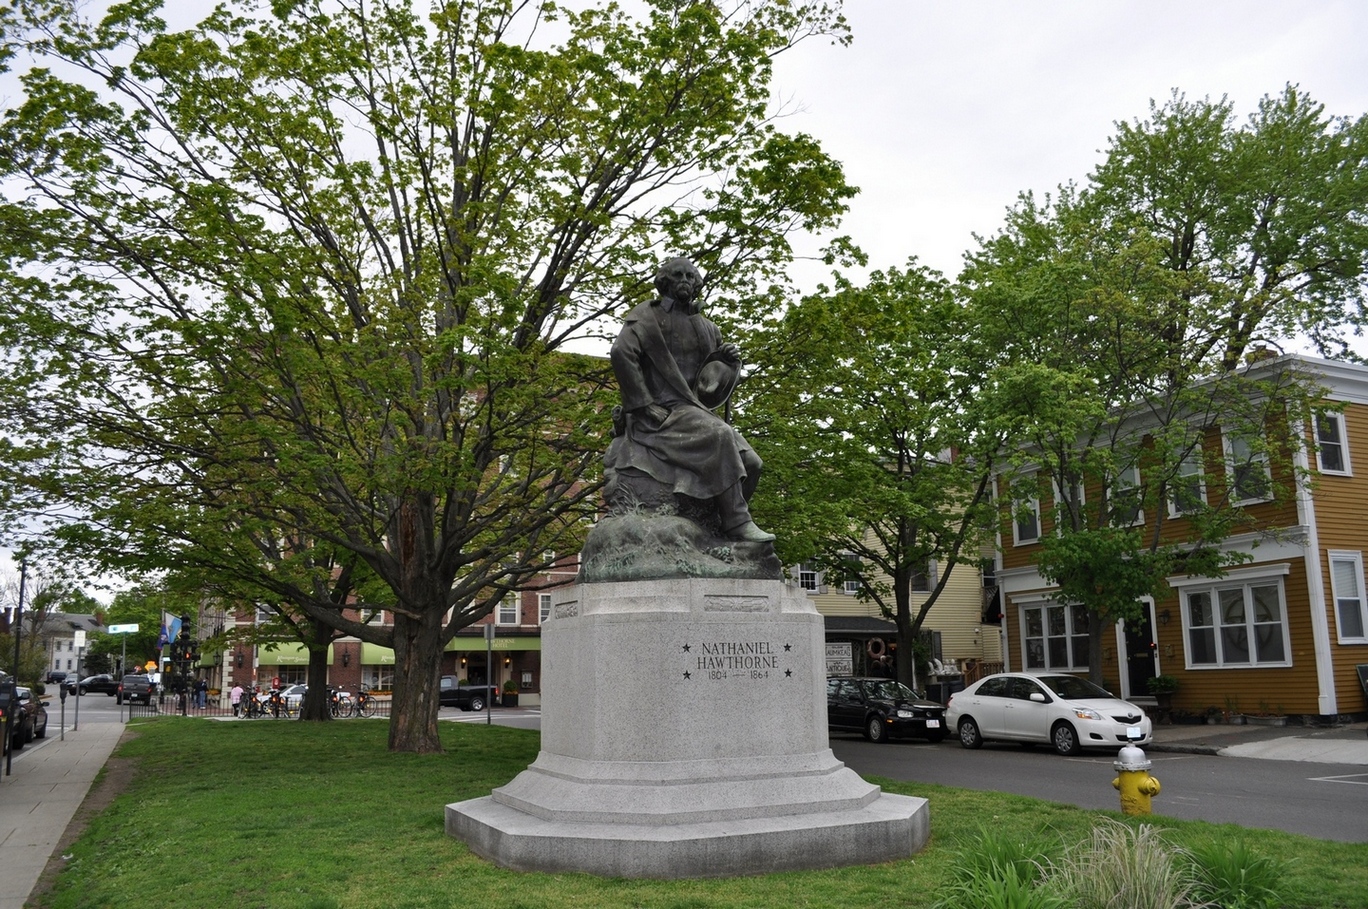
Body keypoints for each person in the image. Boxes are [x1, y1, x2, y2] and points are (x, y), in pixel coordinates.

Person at [605, 257, 773, 542]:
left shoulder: (707, 327)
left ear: (697, 284)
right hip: (664, 412)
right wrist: (644, 406)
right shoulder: (645, 316)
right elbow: (622, 353)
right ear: (664, 282)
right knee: (720, 434)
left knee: (753, 463)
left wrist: (729, 361)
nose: (684, 280)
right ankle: (736, 522)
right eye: (677, 275)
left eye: (690, 276)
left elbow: (712, 380)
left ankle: (715, 528)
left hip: (694, 411)